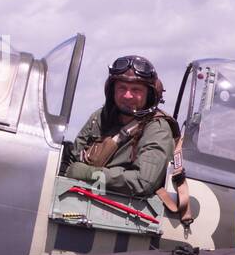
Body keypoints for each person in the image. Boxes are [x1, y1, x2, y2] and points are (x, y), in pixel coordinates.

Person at [64, 55, 176, 198]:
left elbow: (143, 182)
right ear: (112, 90)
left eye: (136, 90)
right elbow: (72, 160)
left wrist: (89, 174)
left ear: (149, 95)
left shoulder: (157, 128)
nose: (127, 95)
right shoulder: (101, 117)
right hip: (83, 197)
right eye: (122, 88)